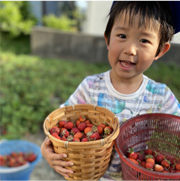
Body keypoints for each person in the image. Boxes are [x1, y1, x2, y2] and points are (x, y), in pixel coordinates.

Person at [41, 1, 180, 180]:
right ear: (107, 38)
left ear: (160, 50)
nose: (130, 50)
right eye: (122, 35)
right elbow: (59, 122)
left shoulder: (160, 96)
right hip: (91, 175)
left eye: (144, 40)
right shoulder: (90, 87)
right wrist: (48, 148)